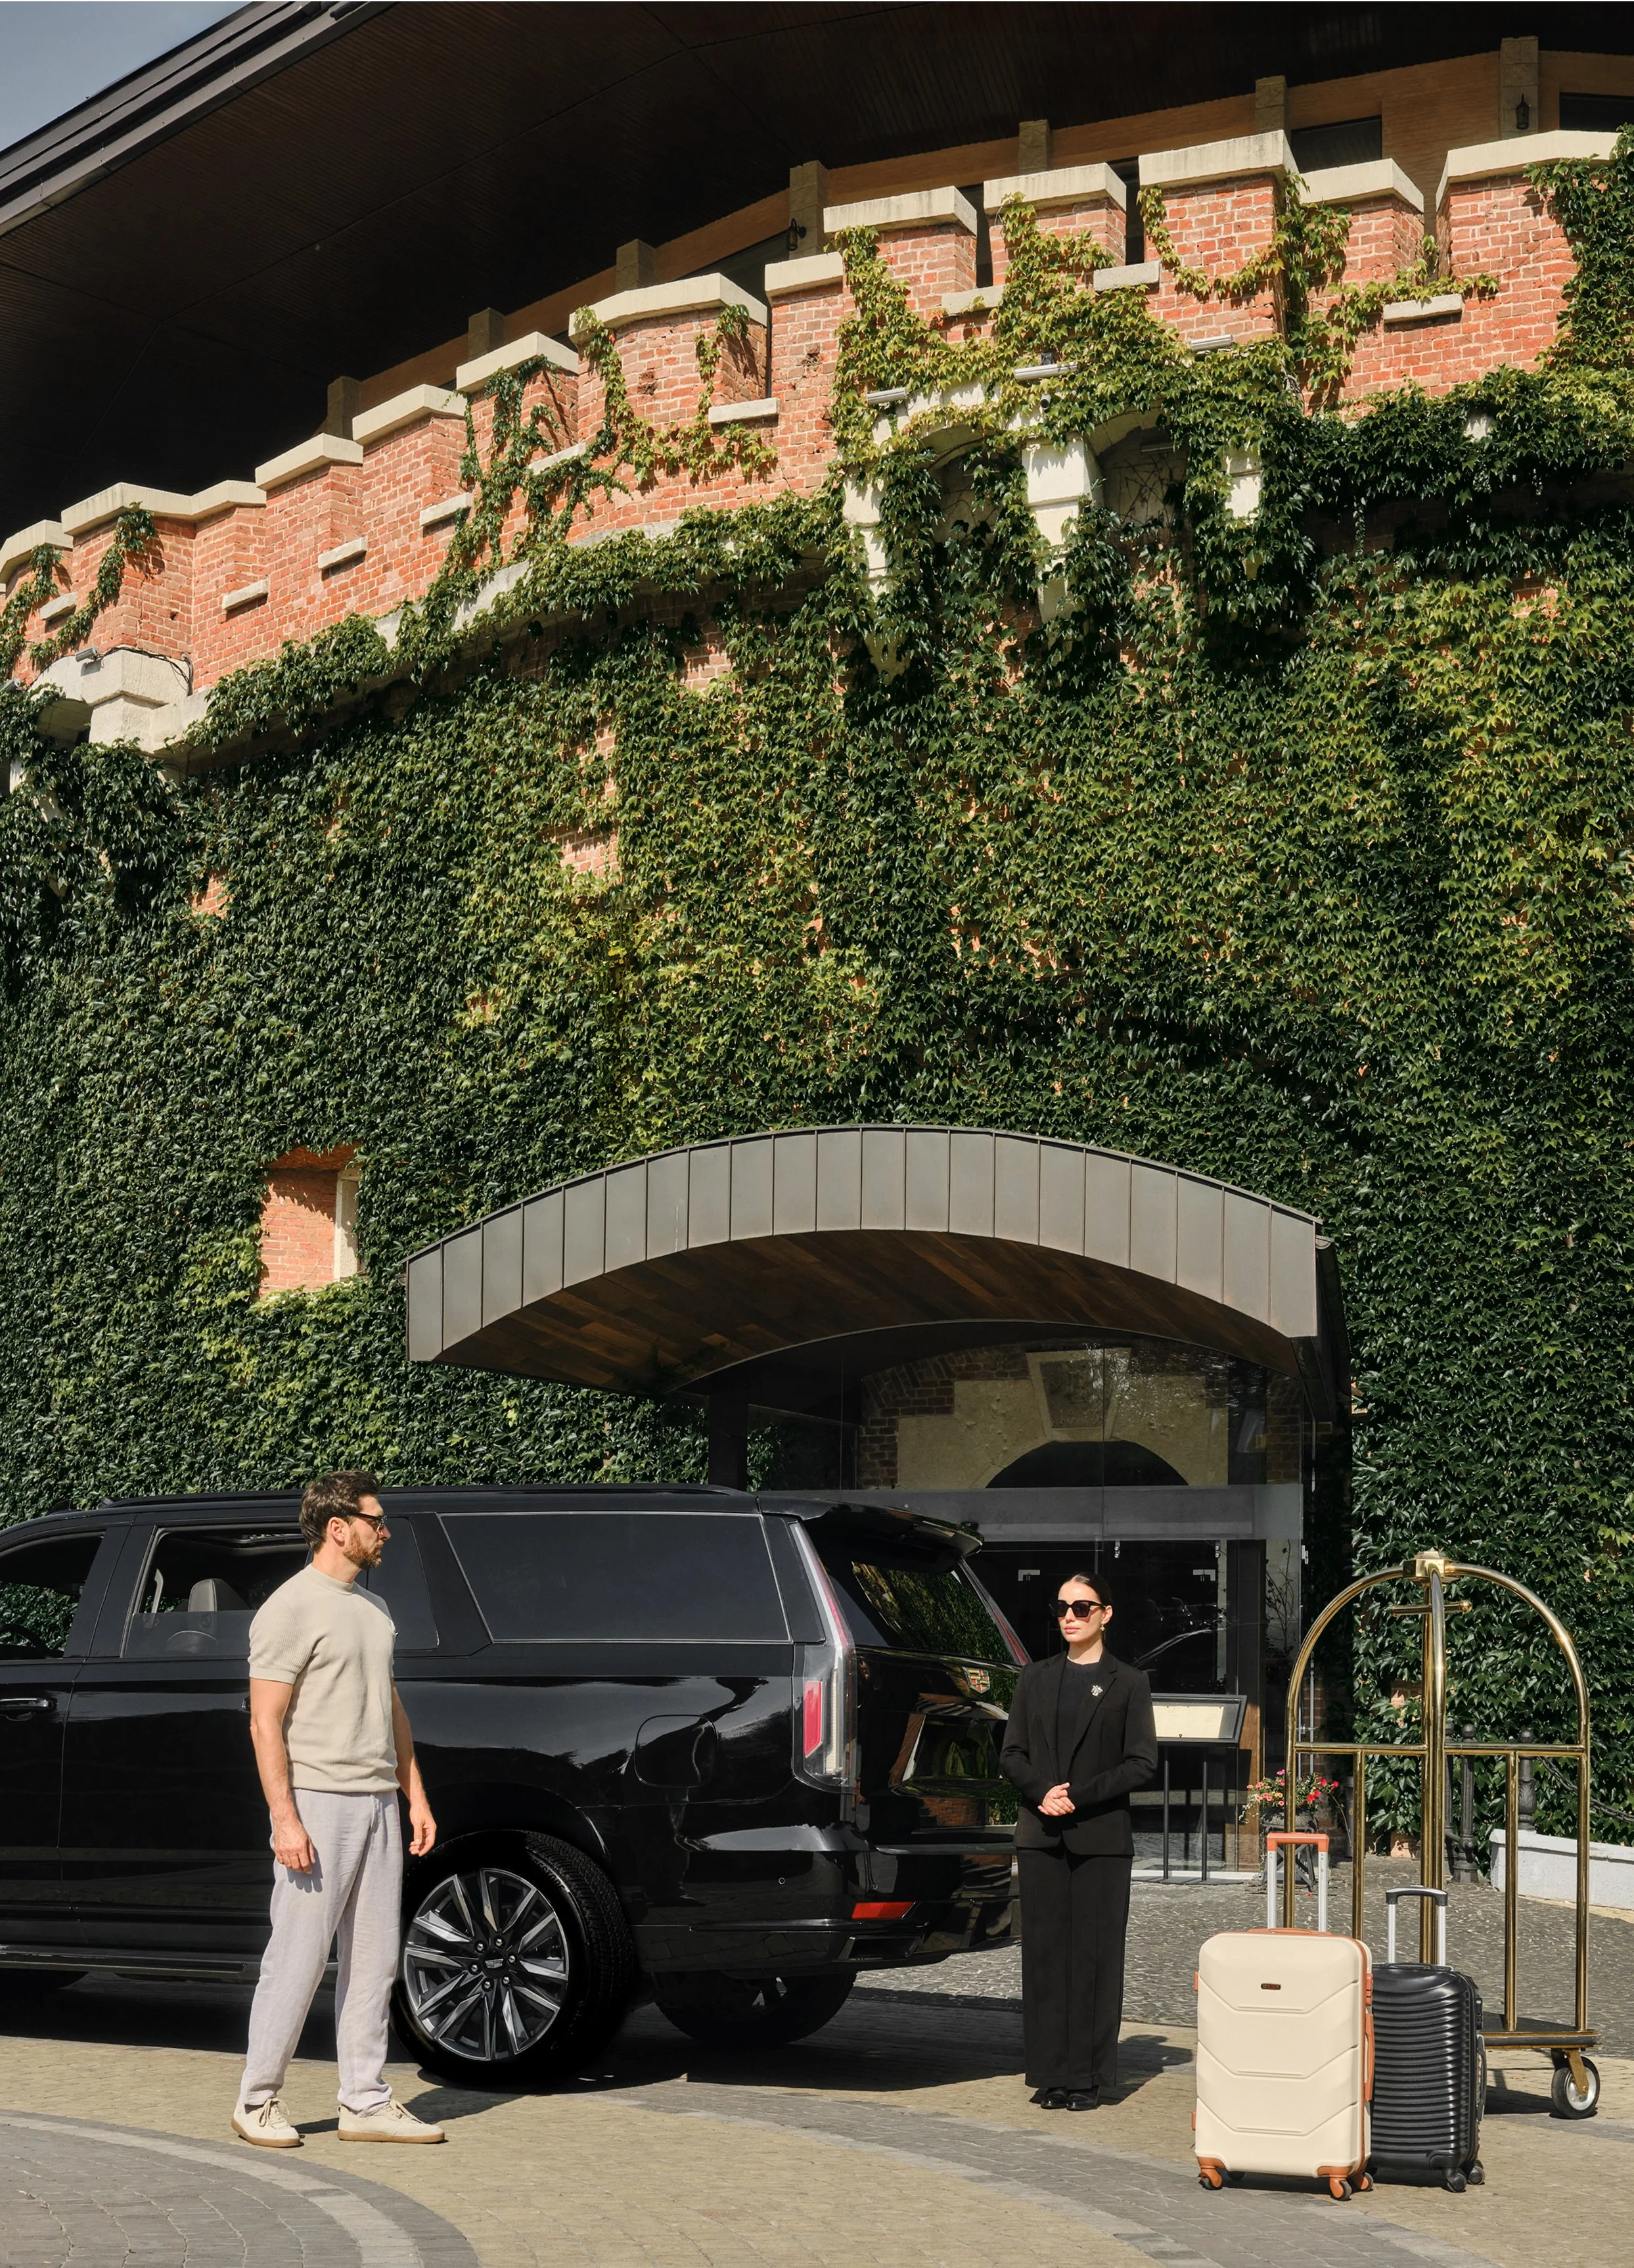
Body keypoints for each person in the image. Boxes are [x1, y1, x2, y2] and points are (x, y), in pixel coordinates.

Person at [233, 1470, 444, 2148]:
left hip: (379, 1800)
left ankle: (364, 2100)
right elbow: (265, 1721)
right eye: (375, 1520)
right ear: (337, 1527)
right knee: (296, 1957)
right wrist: (284, 1817)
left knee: (375, 1961)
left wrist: (414, 1793)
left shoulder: (374, 1611)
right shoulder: (289, 1608)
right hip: (318, 1803)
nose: (384, 1531)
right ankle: (257, 2099)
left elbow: (392, 1708)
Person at [1000, 1571, 1158, 2110]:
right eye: (1062, 1607)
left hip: (1100, 1840)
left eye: (1082, 1607)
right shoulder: (1034, 1678)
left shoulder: (1128, 1683)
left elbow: (1141, 1762)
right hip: (1041, 1836)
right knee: (1045, 1958)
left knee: (1093, 1958)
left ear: (1105, 1614)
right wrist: (1043, 1792)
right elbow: (1011, 1753)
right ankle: (1049, 2074)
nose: (1070, 1615)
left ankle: (1088, 2077)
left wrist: (1079, 1796)